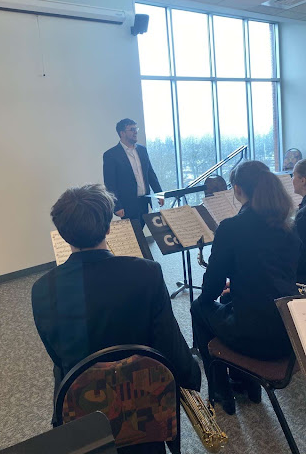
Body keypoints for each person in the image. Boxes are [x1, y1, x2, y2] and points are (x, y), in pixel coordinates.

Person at [32, 184, 200, 453]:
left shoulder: (42, 290)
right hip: (148, 411)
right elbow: (169, 342)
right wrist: (191, 376)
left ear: (63, 236)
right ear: (109, 227)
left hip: (85, 417)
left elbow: (59, 357)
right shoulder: (147, 273)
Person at [191, 160, 299, 415]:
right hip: (287, 335)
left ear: (237, 189)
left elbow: (210, 289)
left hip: (258, 339)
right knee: (230, 301)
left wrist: (221, 290)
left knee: (199, 306)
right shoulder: (287, 226)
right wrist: (238, 286)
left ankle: (220, 390)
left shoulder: (232, 228)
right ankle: (248, 386)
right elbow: (276, 277)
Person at [103, 119, 164, 227]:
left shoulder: (142, 150)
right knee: (134, 236)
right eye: (132, 129)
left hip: (144, 201)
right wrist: (117, 205)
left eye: (136, 129)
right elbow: (110, 184)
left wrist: (159, 193)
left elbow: (150, 174)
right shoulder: (111, 155)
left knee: (141, 230)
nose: (136, 132)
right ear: (122, 133)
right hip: (127, 205)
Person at [292, 158, 306, 283]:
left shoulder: (303, 215)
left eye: (293, 176)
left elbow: (298, 255)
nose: (292, 180)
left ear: (303, 180)